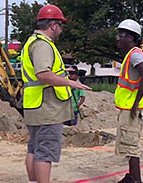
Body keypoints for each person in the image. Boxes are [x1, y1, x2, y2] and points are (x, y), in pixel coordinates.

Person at [20, 4, 91, 183]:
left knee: (34, 149)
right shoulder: (43, 45)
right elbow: (43, 74)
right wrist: (70, 82)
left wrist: (62, 73)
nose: (61, 29)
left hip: (35, 105)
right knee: (45, 152)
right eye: (60, 25)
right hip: (47, 108)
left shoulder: (32, 42)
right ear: (53, 25)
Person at [114, 19, 143, 183]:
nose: (117, 38)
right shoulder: (130, 55)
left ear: (131, 37)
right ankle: (131, 176)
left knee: (131, 147)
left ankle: (136, 180)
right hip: (128, 107)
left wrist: (136, 103)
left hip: (133, 108)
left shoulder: (135, 54)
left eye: (121, 35)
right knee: (127, 145)